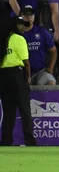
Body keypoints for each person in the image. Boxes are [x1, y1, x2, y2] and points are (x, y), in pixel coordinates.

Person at [0, 16, 36, 146]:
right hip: (17, 74)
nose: (23, 27)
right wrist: (28, 77)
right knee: (24, 109)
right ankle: (29, 140)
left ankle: (6, 141)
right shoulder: (19, 39)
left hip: (3, 76)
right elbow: (26, 62)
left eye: (24, 24)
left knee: (8, 111)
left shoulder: (2, 39)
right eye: (20, 24)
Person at [21, 6, 56, 86]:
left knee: (50, 82)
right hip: (21, 73)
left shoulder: (42, 31)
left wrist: (51, 66)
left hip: (40, 71)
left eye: (31, 15)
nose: (29, 18)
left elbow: (53, 50)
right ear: (21, 16)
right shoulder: (17, 33)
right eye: (26, 16)